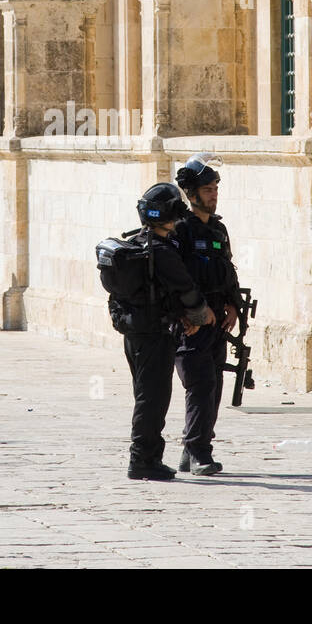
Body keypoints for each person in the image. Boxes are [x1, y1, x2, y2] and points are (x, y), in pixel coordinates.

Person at [113, 183, 215, 481]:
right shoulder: (162, 252)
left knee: (145, 395)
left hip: (135, 333)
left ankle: (148, 457)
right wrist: (200, 315)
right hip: (155, 336)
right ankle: (142, 460)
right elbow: (187, 289)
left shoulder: (135, 246)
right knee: (153, 398)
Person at [173, 153, 244, 475]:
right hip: (191, 323)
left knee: (212, 386)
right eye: (207, 189)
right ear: (191, 194)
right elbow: (172, 279)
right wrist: (190, 314)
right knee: (200, 386)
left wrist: (232, 305)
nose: (213, 194)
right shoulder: (180, 231)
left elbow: (228, 269)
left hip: (217, 321)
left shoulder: (217, 230)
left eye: (215, 188)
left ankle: (193, 448)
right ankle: (199, 450)